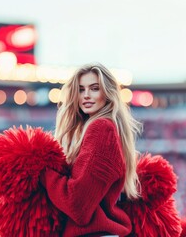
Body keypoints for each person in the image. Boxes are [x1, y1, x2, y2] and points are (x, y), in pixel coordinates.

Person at [40, 62, 142, 236]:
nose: (86, 95)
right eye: (81, 90)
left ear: (108, 94)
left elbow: (77, 205)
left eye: (95, 88)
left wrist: (41, 170)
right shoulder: (101, 127)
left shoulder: (101, 128)